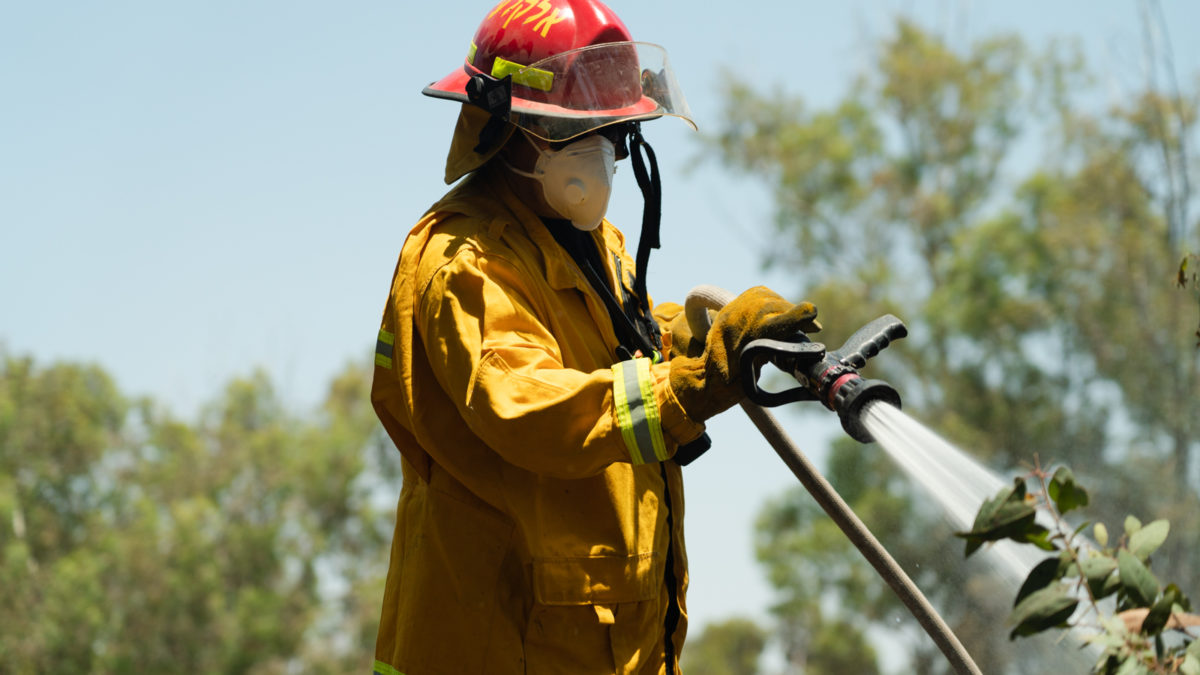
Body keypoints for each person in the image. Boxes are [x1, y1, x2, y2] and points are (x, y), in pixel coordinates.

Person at [369, 1, 821, 673]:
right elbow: (532, 408)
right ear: (506, 126)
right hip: (495, 646)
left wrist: (691, 337)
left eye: (612, 128)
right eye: (573, 128)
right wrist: (687, 388)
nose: (602, 149)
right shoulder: (466, 260)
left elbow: (611, 347)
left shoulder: (589, 241)